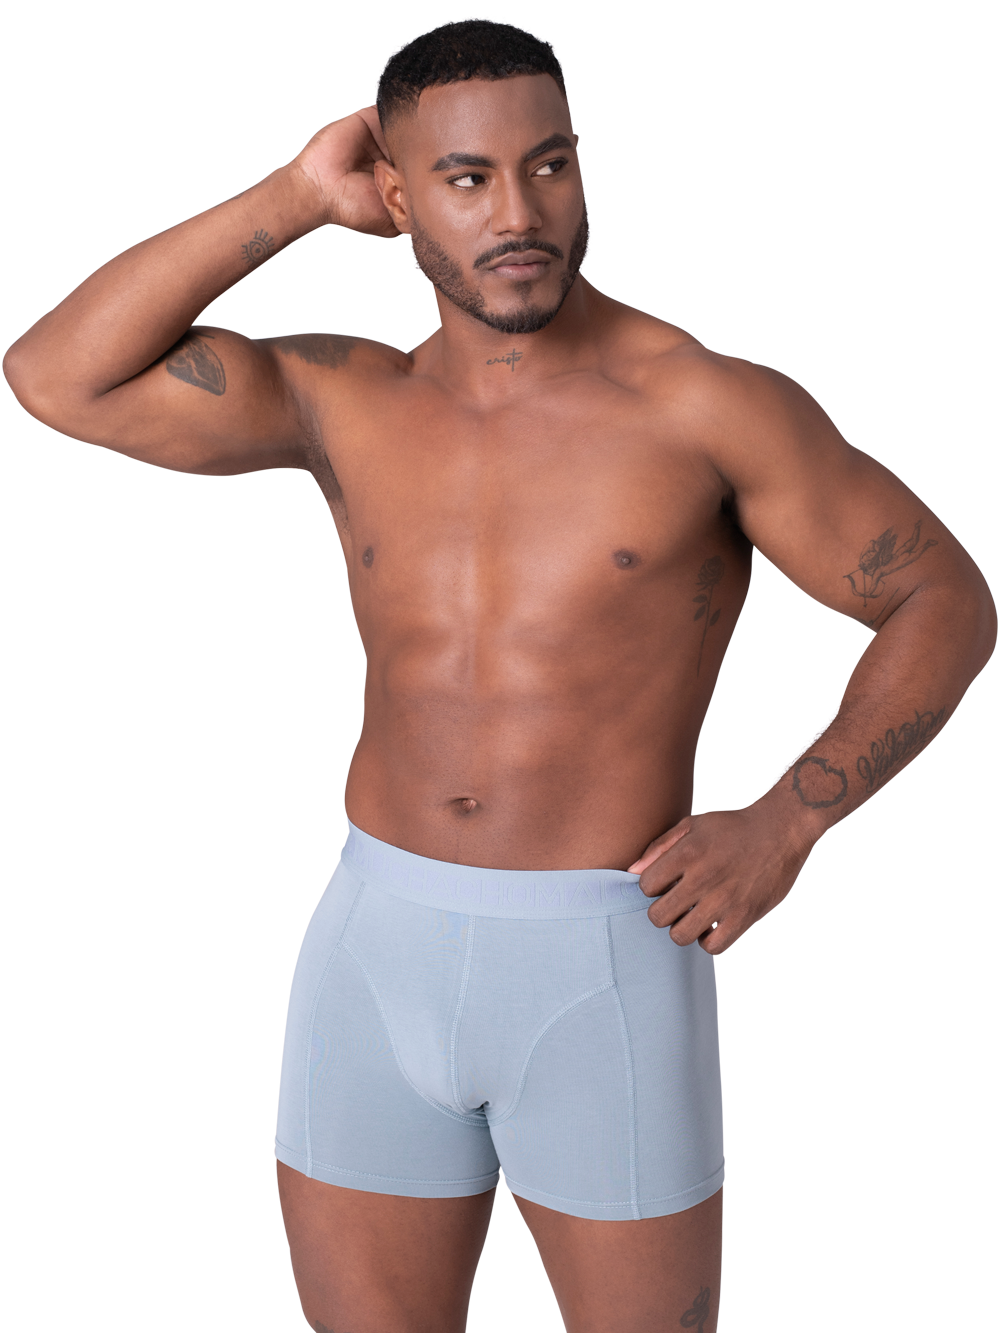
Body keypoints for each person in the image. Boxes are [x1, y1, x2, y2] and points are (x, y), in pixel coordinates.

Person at [5, 18, 995, 1333]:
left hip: (605, 961)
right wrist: (294, 197)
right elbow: (55, 377)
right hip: (373, 950)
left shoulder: (703, 405)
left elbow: (944, 597)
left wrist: (786, 819)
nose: (518, 214)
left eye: (550, 166)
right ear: (396, 197)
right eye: (466, 179)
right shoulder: (344, 394)